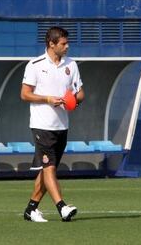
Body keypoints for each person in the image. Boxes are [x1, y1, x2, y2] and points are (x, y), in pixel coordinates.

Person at [20, 26, 85, 222]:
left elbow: (80, 93)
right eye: (63, 43)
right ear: (51, 44)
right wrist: (48, 99)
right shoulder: (35, 64)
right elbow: (25, 94)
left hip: (62, 126)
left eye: (67, 43)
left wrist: (73, 99)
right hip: (42, 125)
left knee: (47, 168)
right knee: (49, 168)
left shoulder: (71, 65)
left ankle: (31, 209)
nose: (67, 46)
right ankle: (62, 207)